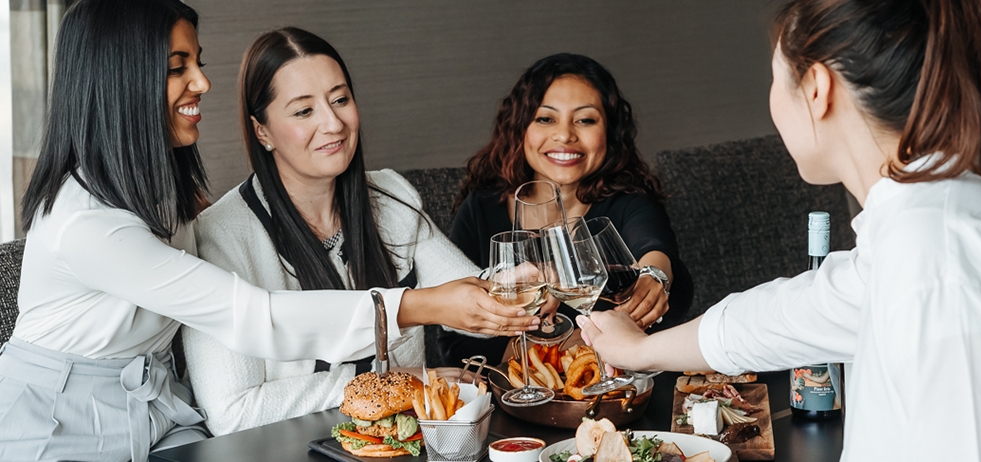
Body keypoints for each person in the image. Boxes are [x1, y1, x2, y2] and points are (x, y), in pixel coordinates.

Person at [0, 2, 536, 461]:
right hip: (58, 421)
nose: (203, 83)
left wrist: (529, 290)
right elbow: (253, 318)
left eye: (198, 63)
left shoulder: (160, 185)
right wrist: (414, 307)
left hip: (159, 405)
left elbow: (476, 295)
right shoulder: (87, 223)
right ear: (117, 80)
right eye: (176, 67)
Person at [581, 0, 981, 460]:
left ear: (816, 87)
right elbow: (781, 317)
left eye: (775, 78)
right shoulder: (917, 228)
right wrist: (639, 350)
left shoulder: (940, 263)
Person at [180, 27, 489, 435]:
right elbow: (233, 412)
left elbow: (465, 300)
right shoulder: (222, 235)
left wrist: (515, 289)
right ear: (263, 131)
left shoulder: (392, 197)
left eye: (340, 100)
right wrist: (406, 382)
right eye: (304, 111)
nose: (333, 124)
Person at [437, 53, 695, 367]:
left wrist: (654, 277)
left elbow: (654, 247)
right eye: (546, 119)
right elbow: (455, 338)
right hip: (514, 396)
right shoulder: (481, 208)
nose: (565, 135)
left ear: (609, 133)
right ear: (520, 129)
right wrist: (554, 357)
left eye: (585, 120)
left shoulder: (628, 199)